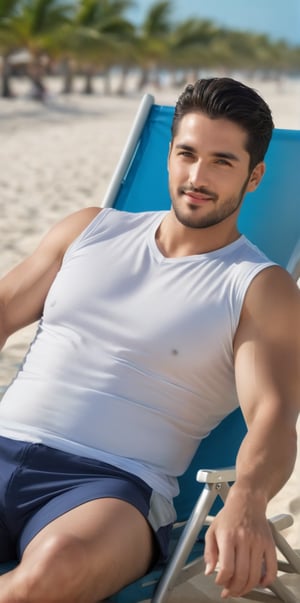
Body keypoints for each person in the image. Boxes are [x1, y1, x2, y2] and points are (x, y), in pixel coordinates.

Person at [0, 77, 299, 603]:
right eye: (186, 154)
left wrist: (247, 499)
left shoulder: (257, 287)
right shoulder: (91, 230)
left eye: (221, 162)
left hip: (108, 489)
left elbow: (273, 417)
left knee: (54, 572)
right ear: (169, 154)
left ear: (254, 177)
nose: (197, 177)